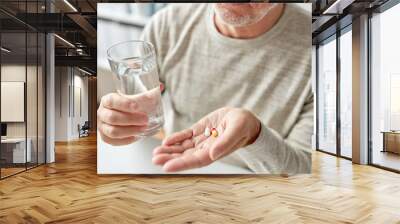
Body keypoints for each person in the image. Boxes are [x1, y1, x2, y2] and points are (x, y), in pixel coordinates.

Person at [97, 3, 313, 174]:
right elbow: (140, 112)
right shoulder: (167, 24)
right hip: (174, 171)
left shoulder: (321, 47)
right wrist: (118, 121)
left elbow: (305, 171)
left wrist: (254, 135)